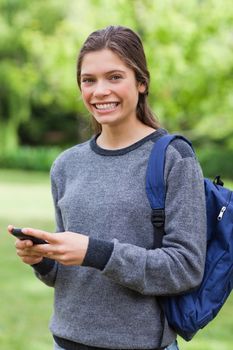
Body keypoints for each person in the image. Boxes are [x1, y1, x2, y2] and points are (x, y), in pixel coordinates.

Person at [8, 25, 206, 350]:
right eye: (89, 80)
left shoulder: (173, 158)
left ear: (141, 82)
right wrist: (42, 260)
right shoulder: (66, 165)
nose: (100, 91)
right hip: (66, 341)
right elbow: (67, 274)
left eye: (115, 77)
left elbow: (185, 268)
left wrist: (97, 252)